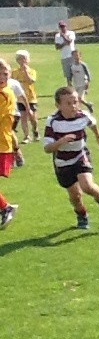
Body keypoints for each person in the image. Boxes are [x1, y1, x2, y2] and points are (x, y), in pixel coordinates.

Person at [43, 86, 99, 230]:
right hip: (62, 162)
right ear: (58, 105)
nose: (73, 106)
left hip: (80, 155)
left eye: (75, 102)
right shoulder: (52, 121)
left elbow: (93, 124)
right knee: (75, 196)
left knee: (87, 186)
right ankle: (82, 215)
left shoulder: (83, 116)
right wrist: (61, 142)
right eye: (68, 103)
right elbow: (47, 148)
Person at [0, 59, 20, 229]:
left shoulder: (5, 94)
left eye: (6, 74)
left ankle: (5, 208)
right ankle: (5, 207)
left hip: (1, 144)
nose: (3, 77)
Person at [12, 50, 40, 143]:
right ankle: (27, 136)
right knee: (23, 117)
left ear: (27, 60)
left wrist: (26, 72)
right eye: (19, 59)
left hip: (31, 98)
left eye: (24, 58)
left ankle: (35, 131)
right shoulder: (14, 72)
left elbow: (31, 81)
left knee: (33, 118)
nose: (22, 61)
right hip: (20, 99)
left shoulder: (32, 71)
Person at [54, 20, 76, 85]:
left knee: (75, 72)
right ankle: (69, 86)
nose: (63, 28)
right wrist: (64, 43)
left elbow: (69, 42)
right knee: (67, 74)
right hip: (64, 56)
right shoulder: (57, 36)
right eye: (61, 27)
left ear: (66, 26)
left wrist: (63, 36)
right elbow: (57, 47)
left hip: (72, 55)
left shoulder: (71, 33)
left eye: (63, 26)